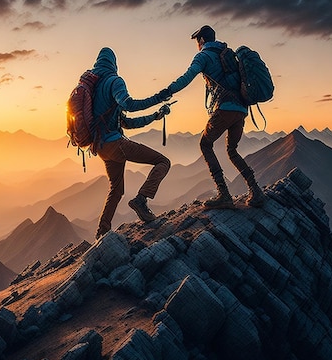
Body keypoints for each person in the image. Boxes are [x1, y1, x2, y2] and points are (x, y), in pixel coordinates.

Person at [159, 25, 264, 209]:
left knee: (205, 144)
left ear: (201, 41)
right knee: (232, 150)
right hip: (241, 109)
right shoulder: (228, 53)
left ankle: (223, 193)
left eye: (197, 42)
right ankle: (255, 190)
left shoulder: (203, 56)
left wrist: (168, 91)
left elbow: (187, 76)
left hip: (225, 108)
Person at [90, 47, 172, 239]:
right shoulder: (114, 81)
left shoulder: (94, 89)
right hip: (116, 144)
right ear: (114, 63)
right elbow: (129, 105)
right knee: (163, 162)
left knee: (116, 190)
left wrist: (155, 116)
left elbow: (125, 122)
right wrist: (158, 98)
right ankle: (141, 200)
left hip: (101, 148)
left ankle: (102, 233)